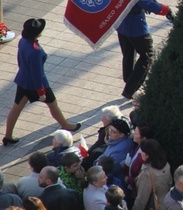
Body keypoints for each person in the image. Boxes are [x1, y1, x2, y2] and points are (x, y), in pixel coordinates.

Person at [3, 18, 81, 146]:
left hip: (23, 80)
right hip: (36, 85)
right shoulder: (35, 51)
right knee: (53, 104)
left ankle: (8, 136)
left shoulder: (23, 41)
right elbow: (37, 73)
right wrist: (41, 91)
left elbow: (20, 61)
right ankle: (65, 125)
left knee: (16, 108)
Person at [116, 0, 174, 99]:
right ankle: (131, 90)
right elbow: (150, 4)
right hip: (136, 27)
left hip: (121, 25)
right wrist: (167, 10)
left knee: (128, 55)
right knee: (146, 56)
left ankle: (129, 81)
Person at [131, 139, 171, 210]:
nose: (140, 154)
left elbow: (141, 200)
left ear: (148, 155)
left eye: (142, 152)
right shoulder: (166, 165)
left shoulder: (147, 174)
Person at [98, 118, 135, 183]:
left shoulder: (120, 150)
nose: (110, 133)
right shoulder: (116, 141)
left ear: (122, 134)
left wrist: (96, 163)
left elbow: (108, 168)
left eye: (114, 132)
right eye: (110, 130)